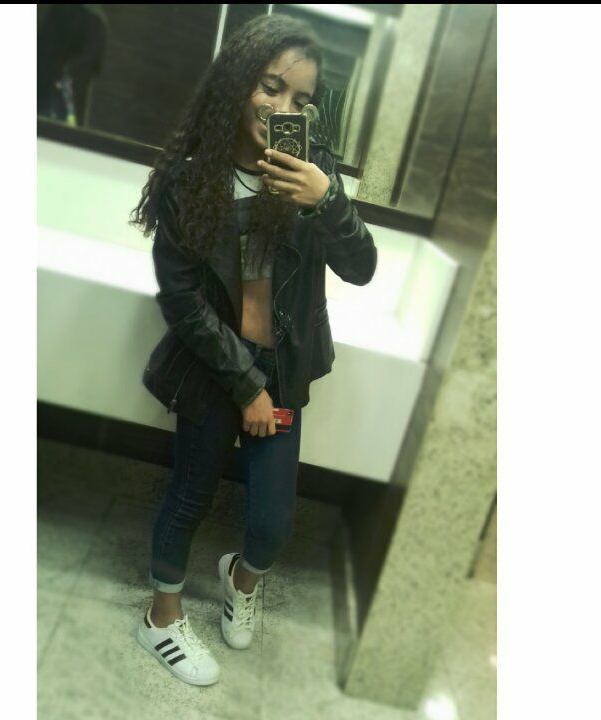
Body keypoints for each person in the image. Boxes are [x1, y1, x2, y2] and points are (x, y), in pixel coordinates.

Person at [128, 14, 376, 686]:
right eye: (271, 87)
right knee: (189, 495)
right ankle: (160, 618)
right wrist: (245, 387)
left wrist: (326, 201)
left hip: (282, 368)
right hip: (215, 368)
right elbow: (183, 300)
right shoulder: (189, 181)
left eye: (301, 99)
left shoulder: (313, 172)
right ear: (238, 83)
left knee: (271, 526)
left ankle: (240, 577)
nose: (283, 109)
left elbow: (361, 269)